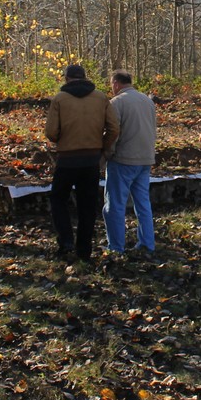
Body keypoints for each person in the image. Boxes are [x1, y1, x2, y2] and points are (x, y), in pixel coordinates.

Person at [44, 64, 119, 261]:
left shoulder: (59, 99)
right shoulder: (101, 97)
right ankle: (84, 249)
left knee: (58, 199)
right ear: (85, 77)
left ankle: (66, 239)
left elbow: (51, 132)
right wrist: (102, 147)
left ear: (66, 78)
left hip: (67, 160)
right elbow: (114, 128)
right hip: (91, 160)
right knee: (87, 205)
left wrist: (63, 139)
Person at [103, 70, 158, 256]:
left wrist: (107, 154)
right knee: (143, 204)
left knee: (115, 205)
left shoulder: (117, 103)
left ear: (116, 83)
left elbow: (113, 132)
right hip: (145, 158)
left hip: (124, 159)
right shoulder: (147, 101)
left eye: (112, 85)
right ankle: (147, 243)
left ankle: (116, 247)